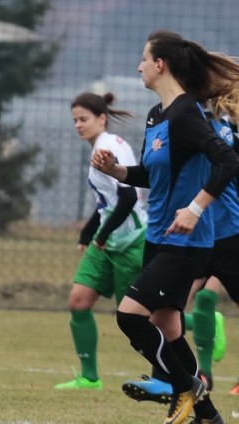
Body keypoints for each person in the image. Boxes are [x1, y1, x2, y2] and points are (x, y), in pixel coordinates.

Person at [91, 30, 239, 424]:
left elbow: (227, 161)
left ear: (161, 65)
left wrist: (194, 208)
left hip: (187, 243)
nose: (138, 65)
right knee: (167, 327)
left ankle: (185, 387)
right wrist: (116, 170)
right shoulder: (158, 115)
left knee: (130, 316)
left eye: (143, 58)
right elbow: (153, 174)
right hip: (158, 238)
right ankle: (207, 416)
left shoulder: (188, 114)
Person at [122, 112, 239, 404]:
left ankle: (185, 380)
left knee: (181, 307)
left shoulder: (214, 129)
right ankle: (174, 381)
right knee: (165, 310)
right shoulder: (181, 120)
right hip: (194, 234)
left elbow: (227, 164)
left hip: (226, 233)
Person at [53, 92, 147, 391]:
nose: (78, 125)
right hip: (107, 239)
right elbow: (106, 202)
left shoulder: (108, 148)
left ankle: (204, 320)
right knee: (79, 301)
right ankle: (89, 377)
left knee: (140, 317)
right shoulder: (101, 147)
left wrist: (101, 236)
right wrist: (88, 234)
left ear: (101, 119)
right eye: (75, 121)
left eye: (84, 119)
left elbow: (129, 196)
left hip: (131, 239)